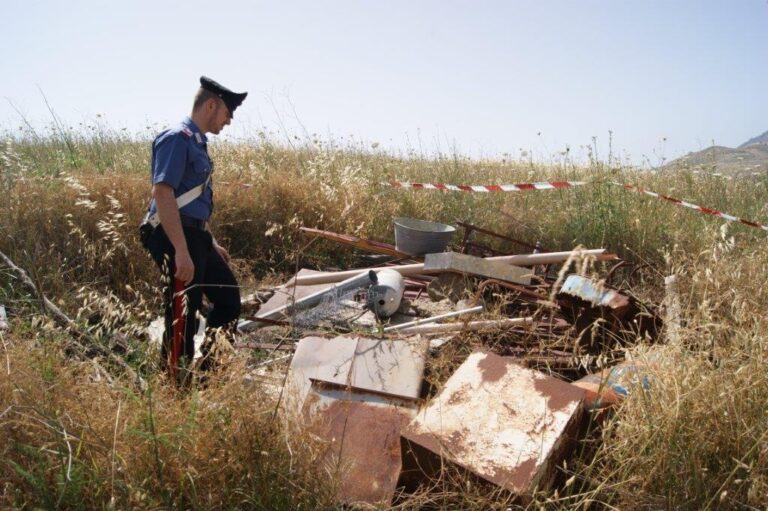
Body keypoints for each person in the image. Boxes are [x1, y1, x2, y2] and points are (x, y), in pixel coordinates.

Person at [141, 76, 246, 380]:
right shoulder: (177, 138)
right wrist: (181, 251)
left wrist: (209, 242)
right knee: (182, 315)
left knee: (228, 299)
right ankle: (175, 385)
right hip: (175, 238)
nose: (229, 121)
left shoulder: (197, 144)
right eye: (228, 112)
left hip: (194, 236)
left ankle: (210, 373)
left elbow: (190, 205)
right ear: (211, 105)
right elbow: (163, 194)